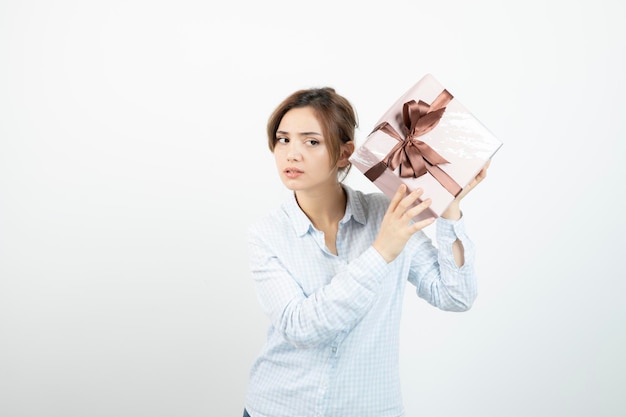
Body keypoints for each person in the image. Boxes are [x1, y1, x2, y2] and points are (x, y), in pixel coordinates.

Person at [242, 86, 489, 417]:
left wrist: (449, 210)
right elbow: (300, 327)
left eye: (311, 141)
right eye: (283, 139)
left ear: (345, 153)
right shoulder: (267, 235)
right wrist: (381, 251)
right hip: (280, 408)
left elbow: (456, 296)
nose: (291, 153)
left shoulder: (388, 216)